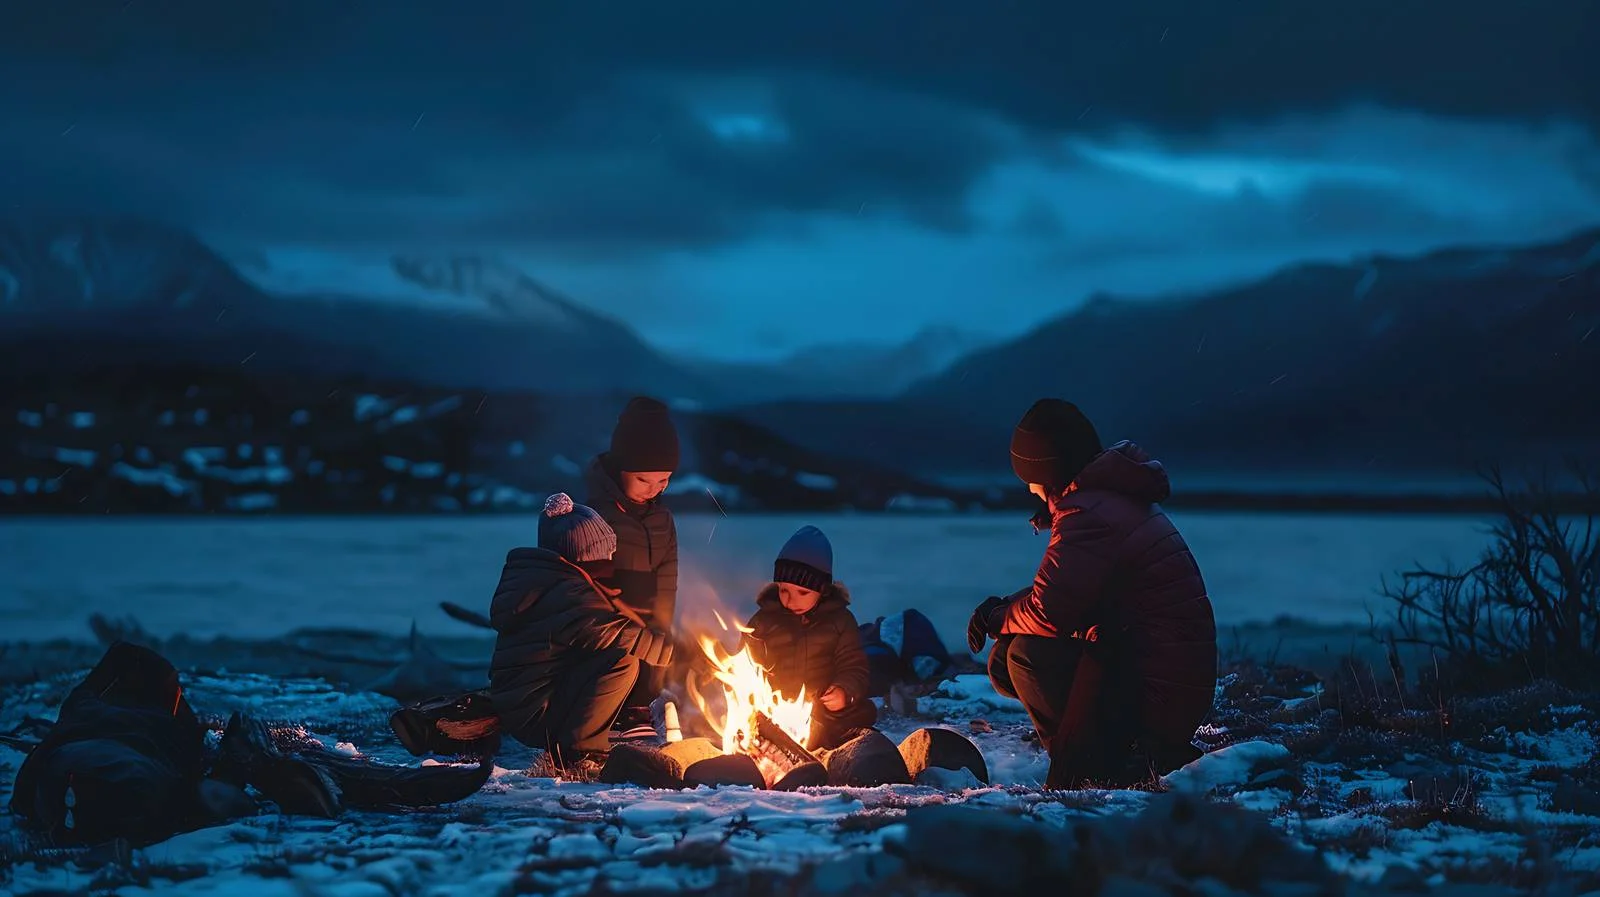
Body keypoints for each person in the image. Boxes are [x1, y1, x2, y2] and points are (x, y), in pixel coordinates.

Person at [11, 641, 490, 848]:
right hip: (130, 785)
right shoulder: (139, 728)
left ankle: (383, 781)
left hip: (84, 782)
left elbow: (26, 788)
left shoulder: (83, 718)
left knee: (220, 768)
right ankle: (388, 783)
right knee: (266, 755)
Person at [966, 399, 1217, 789]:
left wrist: (998, 617)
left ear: (1046, 470)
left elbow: (1052, 611)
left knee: (1026, 657)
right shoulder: (1107, 501)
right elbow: (1072, 591)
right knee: (1007, 656)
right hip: (1163, 677)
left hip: (1161, 695)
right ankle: (1096, 743)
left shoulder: (1089, 514)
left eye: (1029, 478)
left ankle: (1092, 765)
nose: (1030, 490)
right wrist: (1004, 612)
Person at [487, 492, 675, 777]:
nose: (611, 561)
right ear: (586, 556)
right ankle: (579, 752)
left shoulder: (546, 584)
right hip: (534, 711)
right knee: (622, 660)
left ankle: (597, 732)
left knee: (609, 657)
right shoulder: (566, 593)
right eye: (606, 554)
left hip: (529, 699)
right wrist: (677, 653)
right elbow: (611, 633)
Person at [584, 396, 681, 732]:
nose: (653, 490)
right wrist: (610, 601)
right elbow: (578, 574)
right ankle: (608, 716)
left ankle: (639, 712)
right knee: (614, 659)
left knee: (655, 659)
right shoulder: (594, 512)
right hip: (609, 613)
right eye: (644, 480)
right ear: (621, 468)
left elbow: (668, 572)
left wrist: (663, 619)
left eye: (663, 480)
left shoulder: (662, 518)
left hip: (650, 610)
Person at [742, 525, 875, 751]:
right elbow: (745, 667)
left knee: (865, 711)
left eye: (802, 592)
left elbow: (854, 667)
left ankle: (825, 743)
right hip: (774, 710)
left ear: (822, 590)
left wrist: (844, 691)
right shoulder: (764, 621)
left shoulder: (840, 621)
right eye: (784, 590)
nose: (791, 600)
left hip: (820, 710)